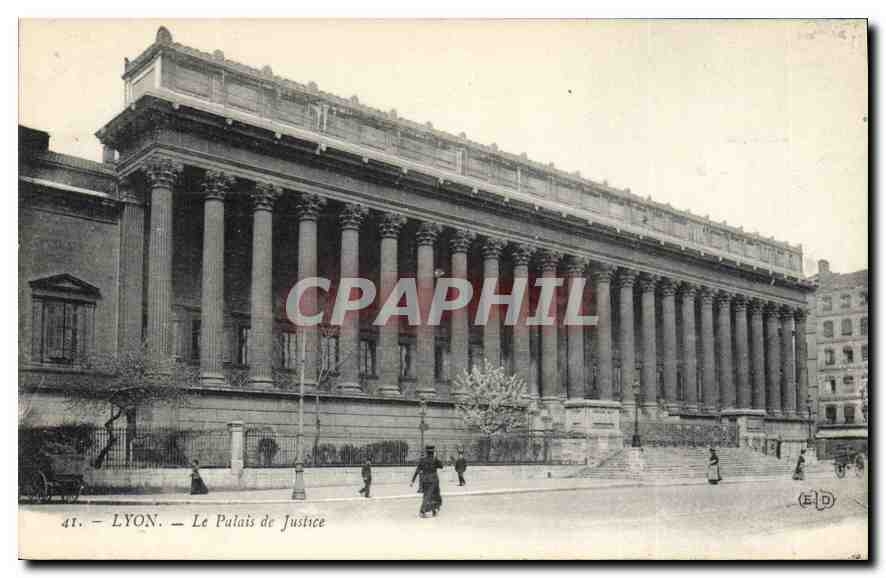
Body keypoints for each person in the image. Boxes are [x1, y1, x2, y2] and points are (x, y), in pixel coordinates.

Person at [411, 445, 443, 518]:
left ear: (426, 452)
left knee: (427, 495)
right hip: (433, 480)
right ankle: (422, 511)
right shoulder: (435, 460)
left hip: (425, 480)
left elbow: (417, 470)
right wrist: (437, 458)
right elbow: (441, 466)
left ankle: (434, 511)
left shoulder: (422, 460)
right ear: (433, 452)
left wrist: (412, 481)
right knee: (433, 496)